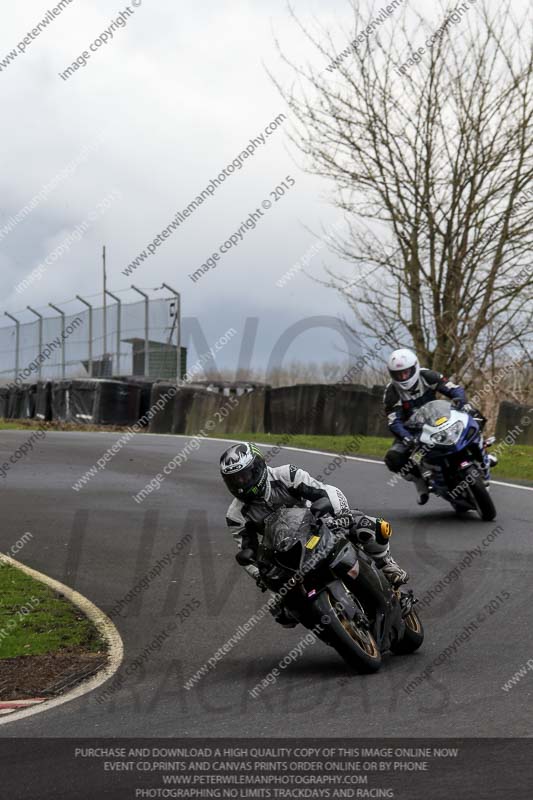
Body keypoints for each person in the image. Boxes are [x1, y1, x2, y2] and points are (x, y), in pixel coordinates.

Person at [220, 442, 409, 626]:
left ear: (258, 467)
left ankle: (386, 564)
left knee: (370, 527)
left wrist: (342, 514)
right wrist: (260, 575)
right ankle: (330, 624)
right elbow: (247, 552)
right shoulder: (235, 515)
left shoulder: (286, 474)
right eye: (234, 480)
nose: (240, 484)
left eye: (244, 476)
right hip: (287, 553)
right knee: (282, 612)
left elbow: (326, 491)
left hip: (321, 524)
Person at [383, 348, 493, 503]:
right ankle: (421, 484)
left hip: (441, 417)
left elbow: (454, 389)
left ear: (414, 367)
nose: (403, 377)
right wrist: (406, 438)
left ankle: (482, 451)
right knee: (393, 458)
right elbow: (394, 421)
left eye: (406, 372)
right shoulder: (392, 392)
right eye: (398, 374)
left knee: (475, 415)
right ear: (392, 374)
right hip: (414, 431)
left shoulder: (427, 376)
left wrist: (461, 401)